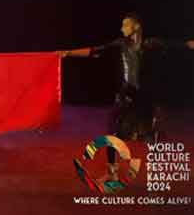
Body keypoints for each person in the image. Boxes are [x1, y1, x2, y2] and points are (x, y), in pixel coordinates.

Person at [59, 13, 194, 182]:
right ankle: (112, 173)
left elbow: (176, 46)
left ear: (135, 27)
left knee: (149, 135)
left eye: (126, 25)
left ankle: (159, 170)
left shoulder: (150, 45)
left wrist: (189, 45)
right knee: (113, 133)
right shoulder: (121, 44)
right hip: (124, 97)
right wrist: (69, 52)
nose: (122, 28)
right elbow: (95, 51)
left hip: (142, 98)